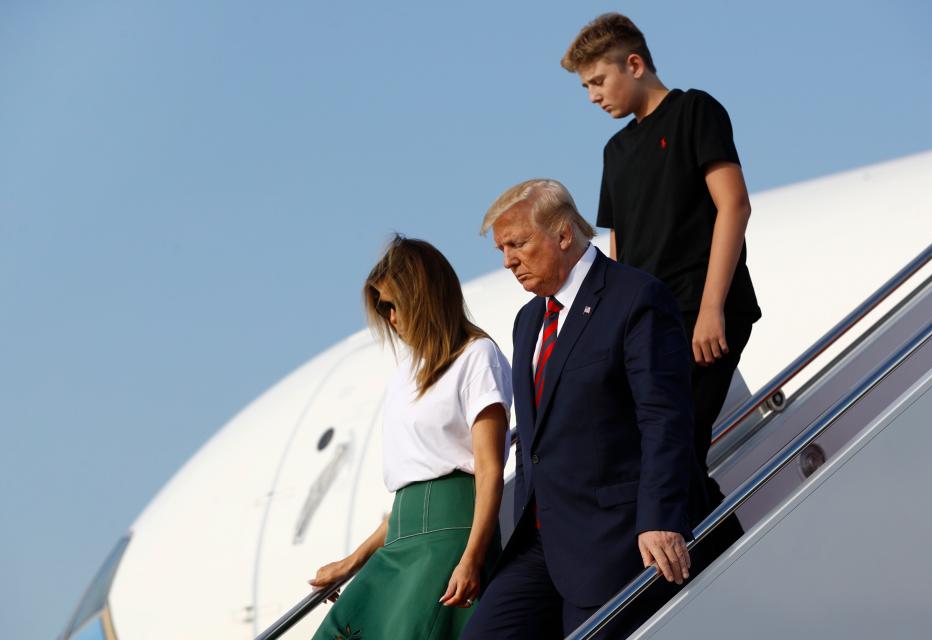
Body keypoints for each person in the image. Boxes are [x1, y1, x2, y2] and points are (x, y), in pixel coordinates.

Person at [462, 180, 707, 639]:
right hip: (541, 540)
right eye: (502, 249)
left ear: (562, 234)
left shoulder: (635, 297)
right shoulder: (529, 319)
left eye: (517, 244)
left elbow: (664, 418)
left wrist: (659, 518)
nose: (507, 261)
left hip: (613, 539)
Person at [560, 13, 762, 546]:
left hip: (703, 311)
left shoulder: (696, 110)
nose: (592, 97)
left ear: (635, 63)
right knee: (663, 448)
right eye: (585, 88)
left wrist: (713, 307)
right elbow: (619, 251)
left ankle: (728, 554)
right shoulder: (615, 151)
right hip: (650, 325)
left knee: (677, 443)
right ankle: (721, 554)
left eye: (597, 81)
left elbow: (733, 206)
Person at [308, 236, 512, 640]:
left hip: (451, 542)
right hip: (400, 540)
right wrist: (354, 560)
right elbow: (413, 484)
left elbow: (488, 470)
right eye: (381, 307)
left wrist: (472, 558)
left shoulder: (477, 356)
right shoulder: (406, 373)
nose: (390, 317)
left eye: (393, 304)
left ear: (423, 298)